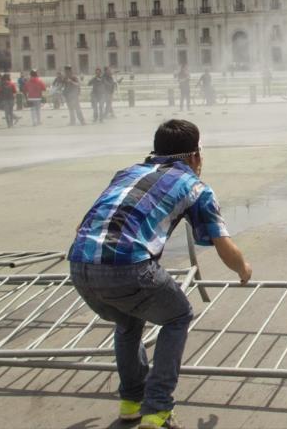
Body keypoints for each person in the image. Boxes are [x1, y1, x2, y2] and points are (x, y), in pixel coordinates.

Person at [68, 119, 252, 429]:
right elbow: (222, 243)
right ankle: (157, 409)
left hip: (79, 265)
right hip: (128, 268)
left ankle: (131, 403)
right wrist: (243, 269)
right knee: (177, 316)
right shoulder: (195, 186)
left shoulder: (127, 173)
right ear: (195, 156)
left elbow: (85, 225)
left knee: (128, 321)